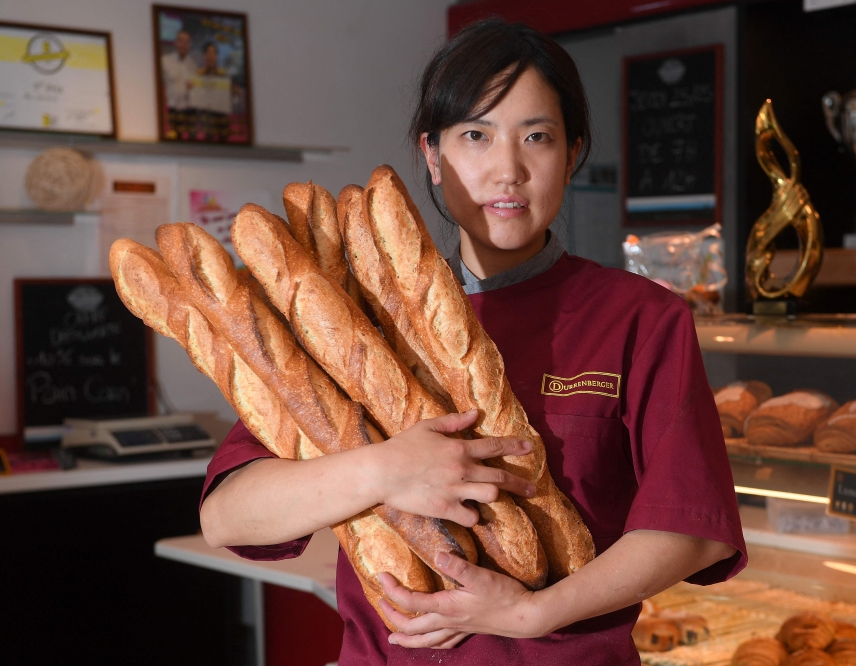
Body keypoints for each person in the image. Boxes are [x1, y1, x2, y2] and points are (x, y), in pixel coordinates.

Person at [199, 18, 746, 665]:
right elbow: (227, 518)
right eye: (476, 136)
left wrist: (529, 610)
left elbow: (695, 530)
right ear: (432, 157)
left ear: (572, 152)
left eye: (536, 137)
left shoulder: (641, 318)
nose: (507, 169)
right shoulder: (353, 318)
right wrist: (383, 469)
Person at [159, 30, 197, 139]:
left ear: (189, 45)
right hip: (172, 109)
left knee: (191, 142)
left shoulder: (193, 65)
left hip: (189, 109)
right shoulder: (164, 61)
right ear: (175, 42)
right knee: (175, 142)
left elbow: (196, 88)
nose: (183, 45)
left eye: (187, 42)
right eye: (181, 41)